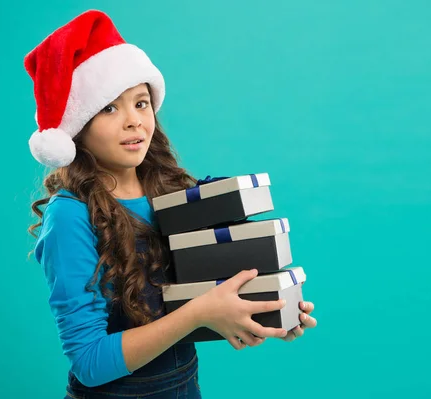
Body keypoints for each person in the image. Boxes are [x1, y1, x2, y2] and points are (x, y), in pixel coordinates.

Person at [25, 9, 317, 399]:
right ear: (77, 125)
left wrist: (263, 311)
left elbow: (204, 301)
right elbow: (90, 362)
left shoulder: (171, 192)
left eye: (141, 103)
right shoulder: (70, 216)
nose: (134, 121)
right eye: (110, 107)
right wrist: (199, 313)